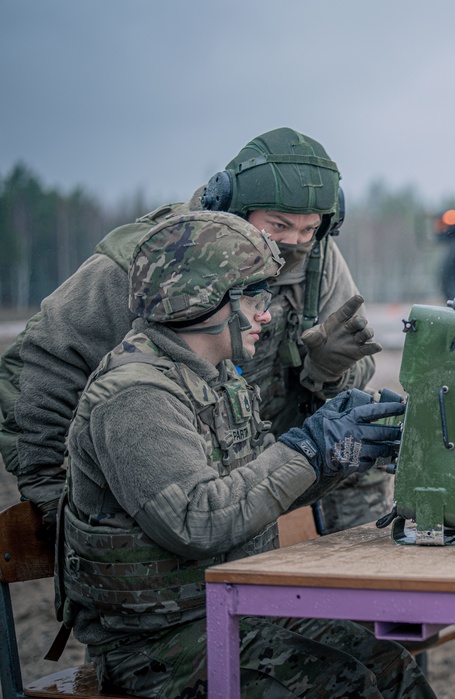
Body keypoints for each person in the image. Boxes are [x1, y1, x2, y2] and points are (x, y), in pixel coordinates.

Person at [58, 210, 434, 698]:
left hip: (230, 607)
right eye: (255, 296)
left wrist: (340, 453)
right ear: (202, 302)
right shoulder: (136, 398)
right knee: (344, 686)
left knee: (387, 665)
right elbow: (200, 521)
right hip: (157, 646)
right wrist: (309, 445)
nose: (267, 313)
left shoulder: (216, 379)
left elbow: (255, 492)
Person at [0, 127, 390, 535]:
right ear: (233, 208)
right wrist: (49, 491)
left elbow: (352, 373)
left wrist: (328, 372)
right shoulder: (159, 258)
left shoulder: (318, 258)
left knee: (357, 446)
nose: (293, 244)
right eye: (278, 226)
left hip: (258, 449)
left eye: (309, 230)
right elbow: (43, 360)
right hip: (167, 448)